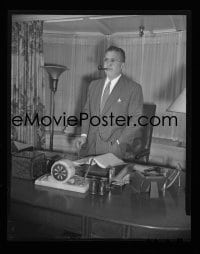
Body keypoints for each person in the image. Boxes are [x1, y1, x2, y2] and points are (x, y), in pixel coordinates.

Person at [75, 45, 143, 159]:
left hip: (113, 148)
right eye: (106, 60)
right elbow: (87, 113)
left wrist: (119, 142)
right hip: (89, 146)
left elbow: (137, 119)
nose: (108, 64)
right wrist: (83, 136)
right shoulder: (93, 85)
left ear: (122, 65)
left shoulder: (133, 88)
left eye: (113, 60)